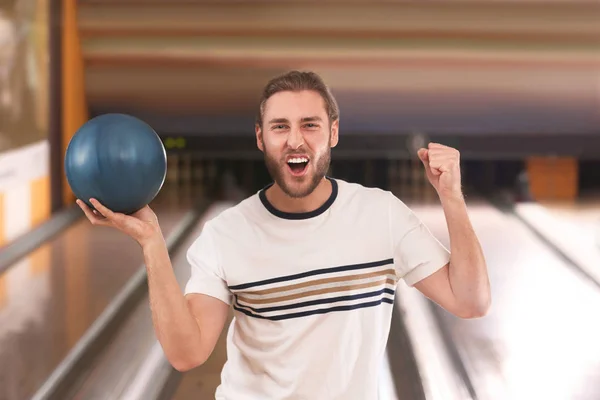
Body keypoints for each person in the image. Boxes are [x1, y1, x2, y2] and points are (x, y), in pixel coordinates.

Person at [77, 70, 491, 399]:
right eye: (280, 126)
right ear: (261, 138)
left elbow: (471, 301)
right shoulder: (226, 234)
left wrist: (451, 198)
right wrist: (151, 242)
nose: (296, 139)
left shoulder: (380, 214)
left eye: (309, 124)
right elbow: (187, 353)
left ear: (333, 132)